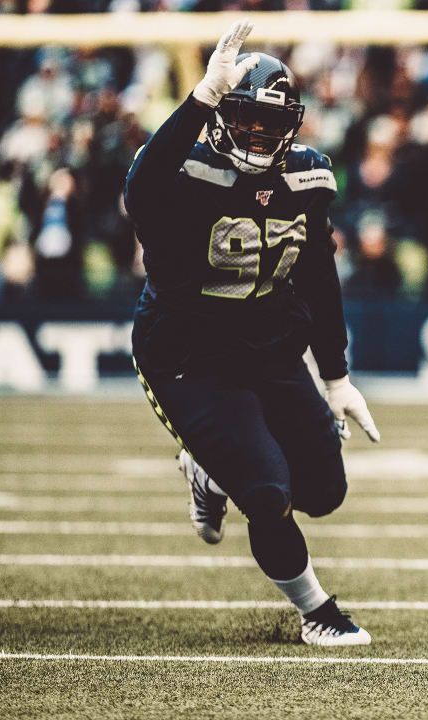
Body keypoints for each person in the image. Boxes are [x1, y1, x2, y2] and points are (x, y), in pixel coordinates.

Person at [124, 21, 380, 646]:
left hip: (271, 346)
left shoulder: (309, 174)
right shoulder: (183, 167)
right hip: (190, 355)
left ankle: (208, 470)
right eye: (245, 119)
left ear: (293, 122)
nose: (259, 133)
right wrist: (202, 96)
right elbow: (141, 189)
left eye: (272, 123)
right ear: (222, 114)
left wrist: (337, 373)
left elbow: (319, 274)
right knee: (267, 494)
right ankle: (317, 611)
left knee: (323, 492)